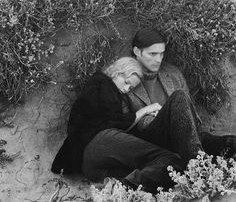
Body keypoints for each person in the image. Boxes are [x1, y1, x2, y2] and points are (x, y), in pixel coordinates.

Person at [51, 56, 185, 193]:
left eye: (131, 87)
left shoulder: (103, 89)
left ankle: (117, 190)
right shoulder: (101, 82)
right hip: (98, 146)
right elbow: (114, 121)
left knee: (145, 169)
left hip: (93, 168)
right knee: (168, 158)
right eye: (126, 82)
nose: (127, 89)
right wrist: (145, 110)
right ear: (117, 72)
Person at [128, 27, 236, 163]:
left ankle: (206, 163)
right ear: (137, 51)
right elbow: (123, 124)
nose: (158, 59)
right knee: (178, 96)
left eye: (161, 54)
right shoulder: (124, 78)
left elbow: (193, 117)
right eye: (153, 54)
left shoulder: (173, 73)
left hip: (185, 137)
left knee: (228, 143)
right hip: (150, 141)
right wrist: (153, 115)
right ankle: (197, 165)